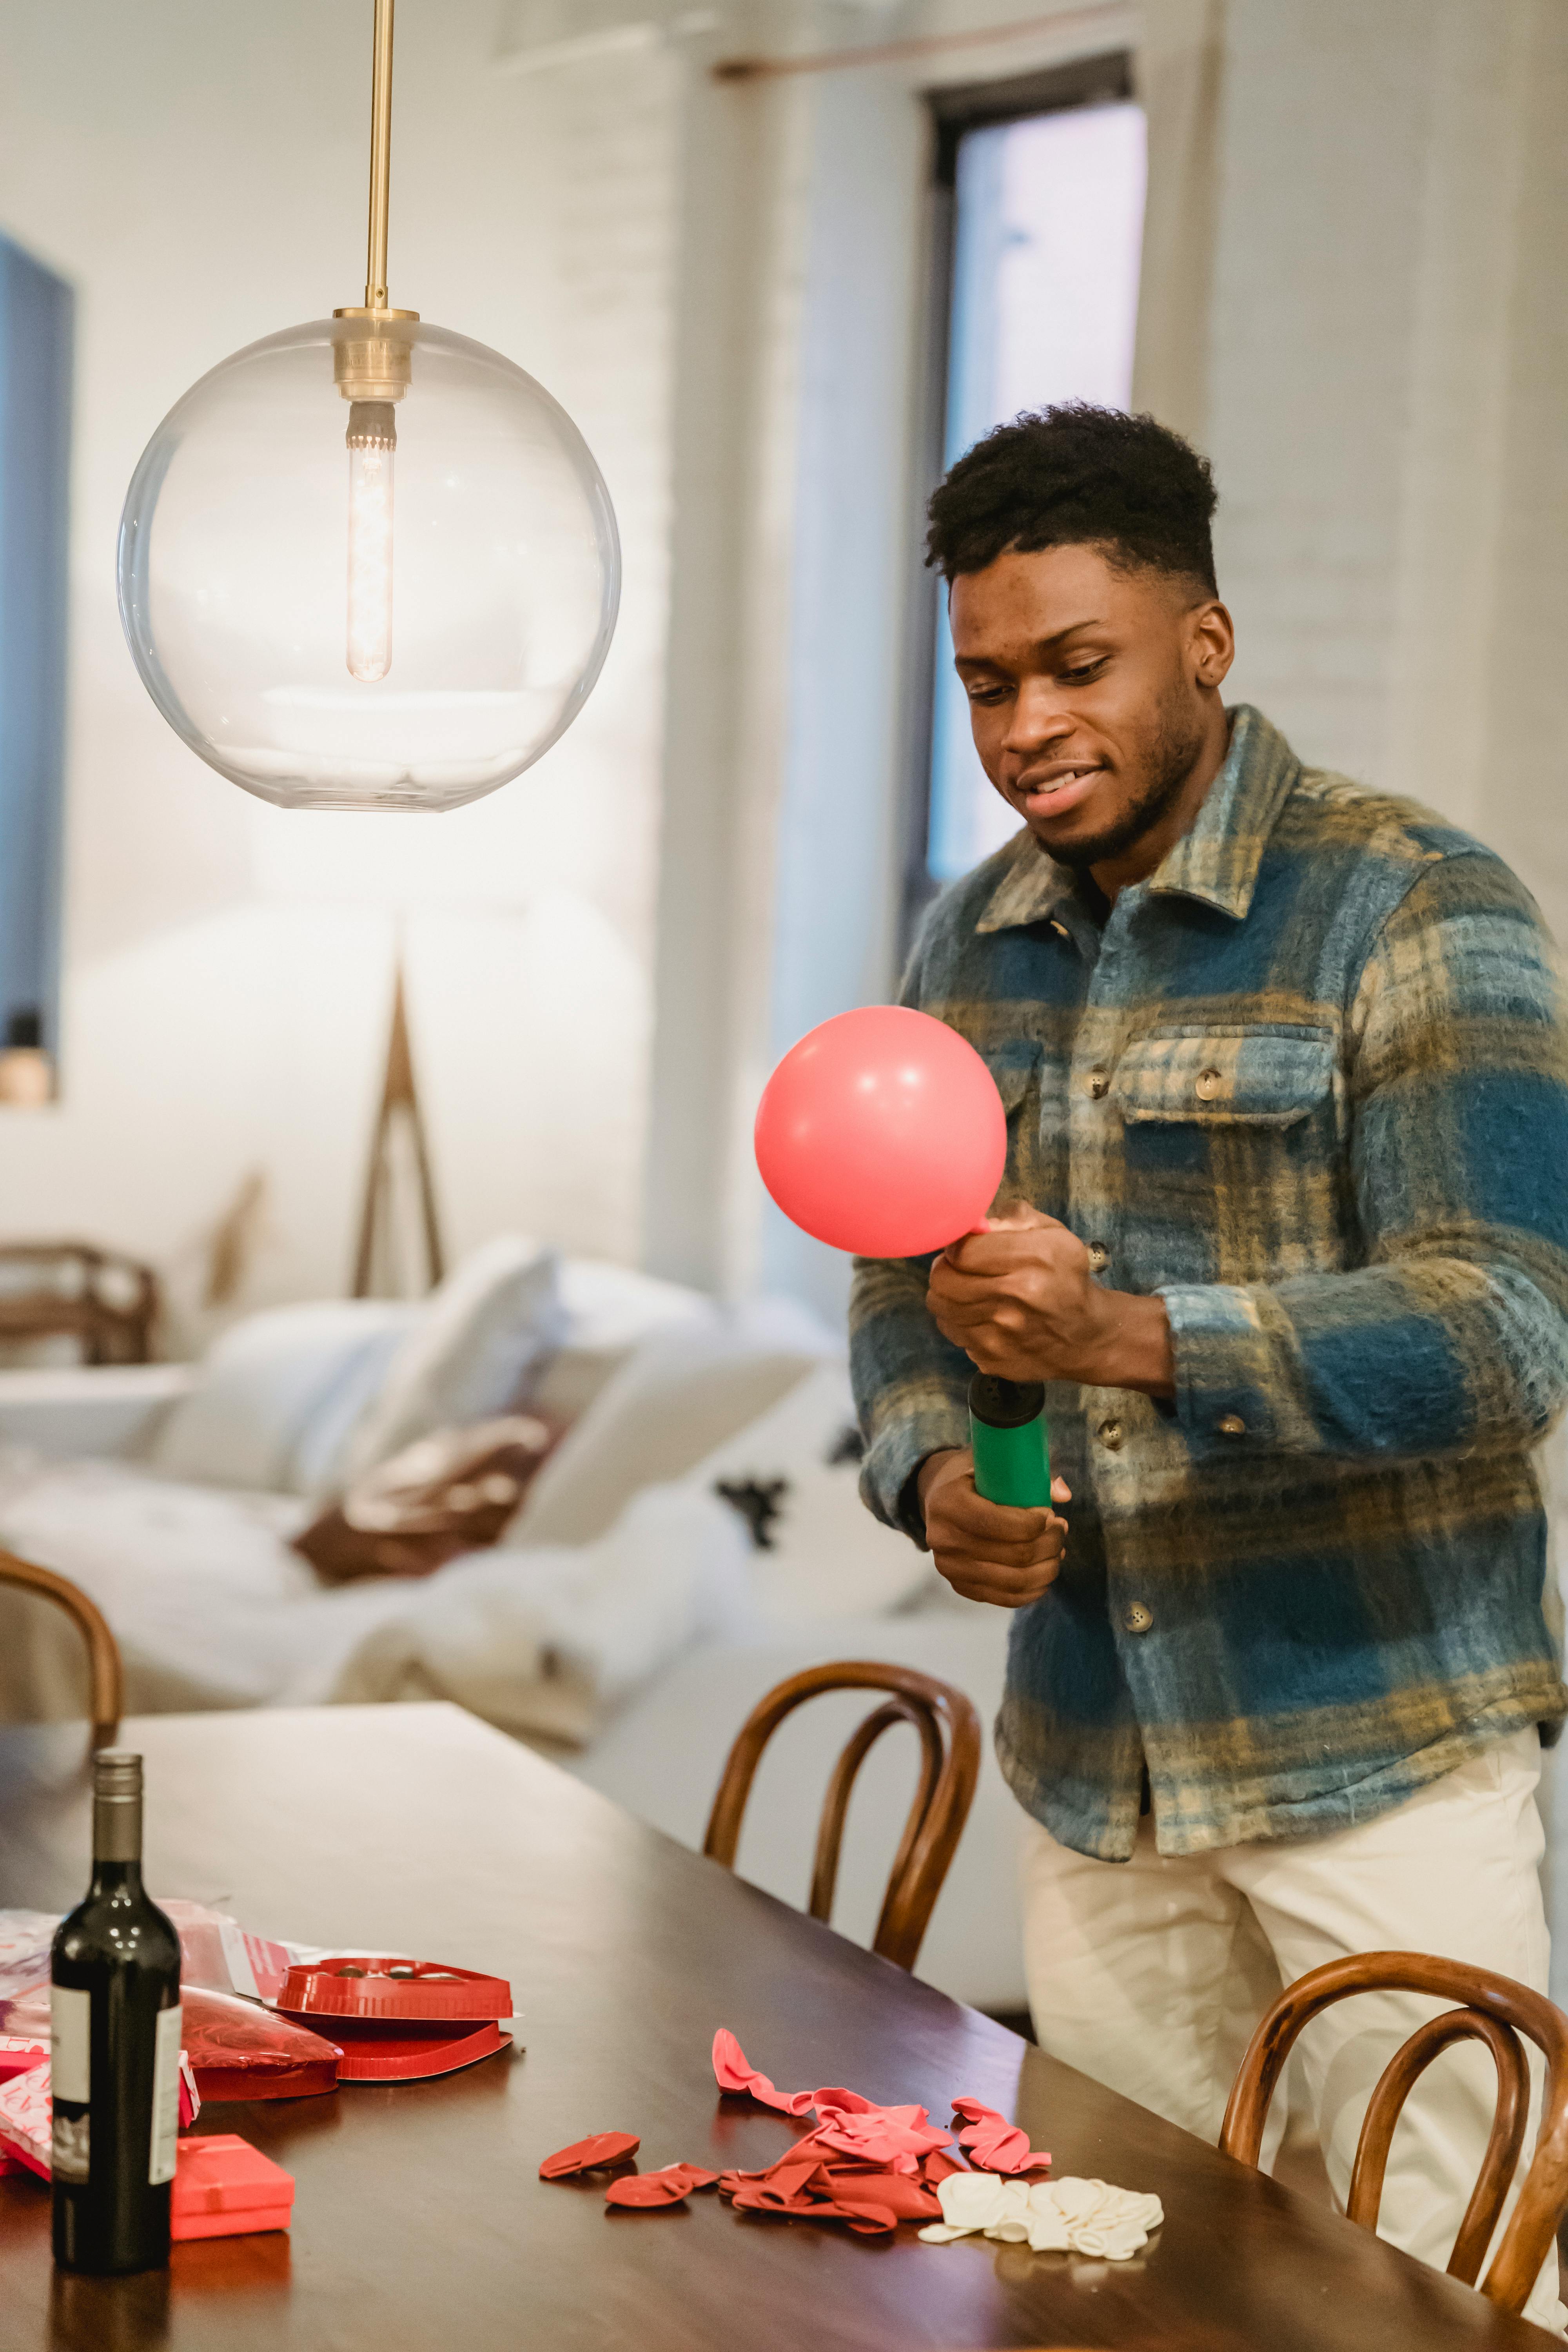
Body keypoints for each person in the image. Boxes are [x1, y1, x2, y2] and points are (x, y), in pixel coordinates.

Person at [850, 402, 1568, 2326]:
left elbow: (1503, 1336)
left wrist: (1131, 1338)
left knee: (1445, 2292)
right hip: (1098, 1771)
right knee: (1125, 2286)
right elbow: (895, 1280)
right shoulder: (968, 940)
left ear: (1205, 642)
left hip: (1378, 1758)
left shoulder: (1417, 904)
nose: (1021, 729)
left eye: (1072, 666)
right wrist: (928, 1466)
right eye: (985, 682)